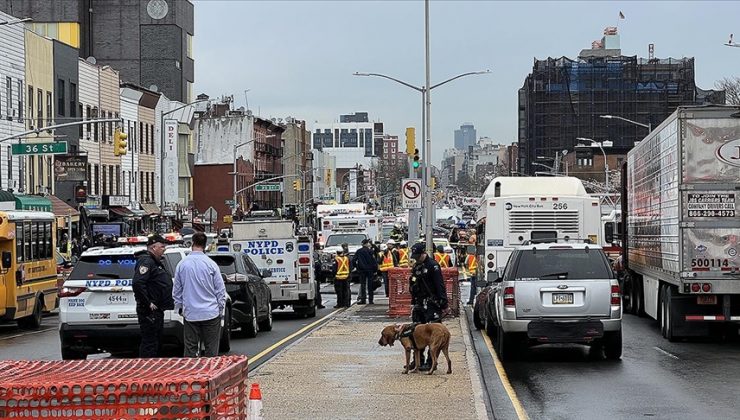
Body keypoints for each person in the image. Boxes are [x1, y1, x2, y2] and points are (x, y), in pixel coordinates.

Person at [172, 232, 227, 357]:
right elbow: (220, 290)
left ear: (192, 243)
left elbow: (177, 290)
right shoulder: (211, 264)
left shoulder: (182, 264)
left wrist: (179, 307)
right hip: (210, 312)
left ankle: (192, 374)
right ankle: (210, 374)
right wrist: (220, 308)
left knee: (190, 348)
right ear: (205, 245)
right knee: (211, 350)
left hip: (191, 313)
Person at [132, 234, 174, 358]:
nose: (164, 249)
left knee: (156, 342)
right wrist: (148, 302)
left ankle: (153, 369)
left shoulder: (155, 262)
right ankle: (147, 370)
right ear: (153, 247)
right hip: (149, 311)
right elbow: (138, 283)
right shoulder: (146, 261)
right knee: (150, 343)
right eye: (162, 247)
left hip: (157, 310)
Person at [408, 242, 448, 371]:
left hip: (432, 303)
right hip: (419, 303)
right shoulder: (416, 267)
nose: (416, 258)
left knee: (433, 335)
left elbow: (439, 284)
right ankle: (418, 360)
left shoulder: (433, 266)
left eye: (418, 256)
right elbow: (413, 284)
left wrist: (443, 302)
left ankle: (432, 362)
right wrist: (413, 301)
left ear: (424, 253)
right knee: (416, 333)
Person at [355, 239, 378, 304]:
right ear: (366, 244)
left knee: (363, 285)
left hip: (362, 270)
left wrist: (357, 267)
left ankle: (363, 299)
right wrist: (375, 270)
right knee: (370, 285)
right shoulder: (370, 251)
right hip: (370, 270)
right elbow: (374, 261)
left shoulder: (359, 251)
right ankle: (371, 300)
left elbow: (354, 260)